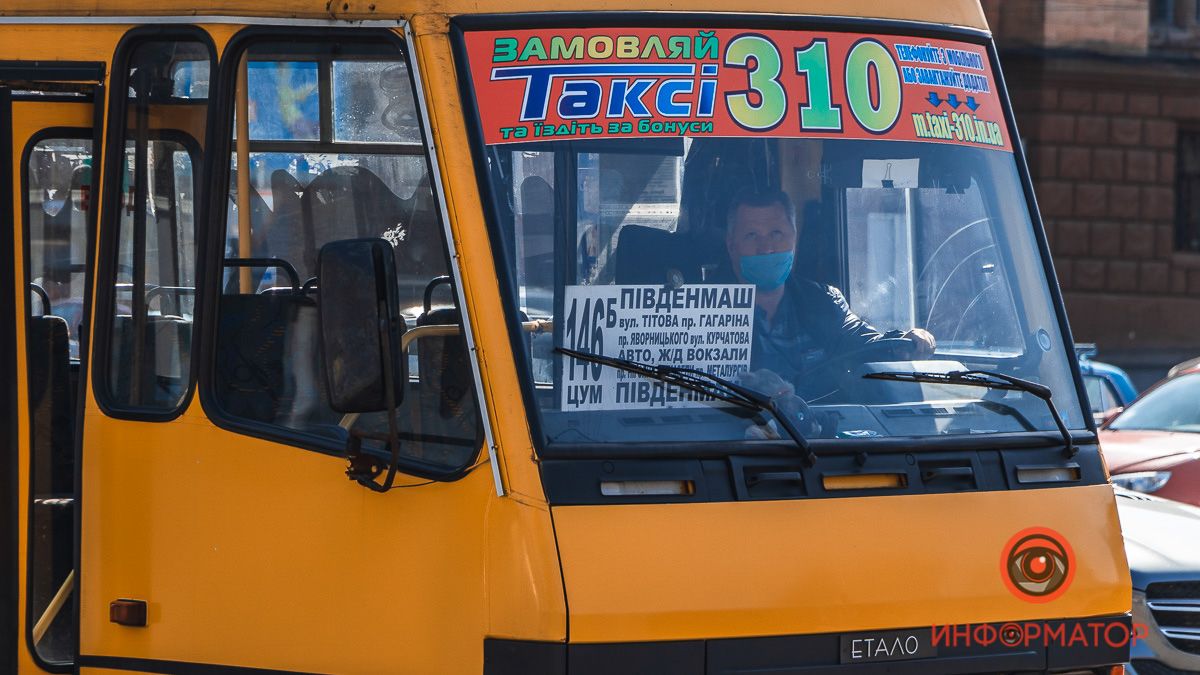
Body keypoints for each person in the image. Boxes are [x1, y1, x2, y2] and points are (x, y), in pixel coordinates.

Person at [721, 188, 935, 399]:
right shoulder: (699, 311)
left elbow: (868, 347)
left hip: (816, 432)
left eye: (776, 233)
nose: (766, 248)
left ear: (794, 238)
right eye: (751, 235)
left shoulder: (825, 303)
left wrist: (903, 344)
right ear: (731, 245)